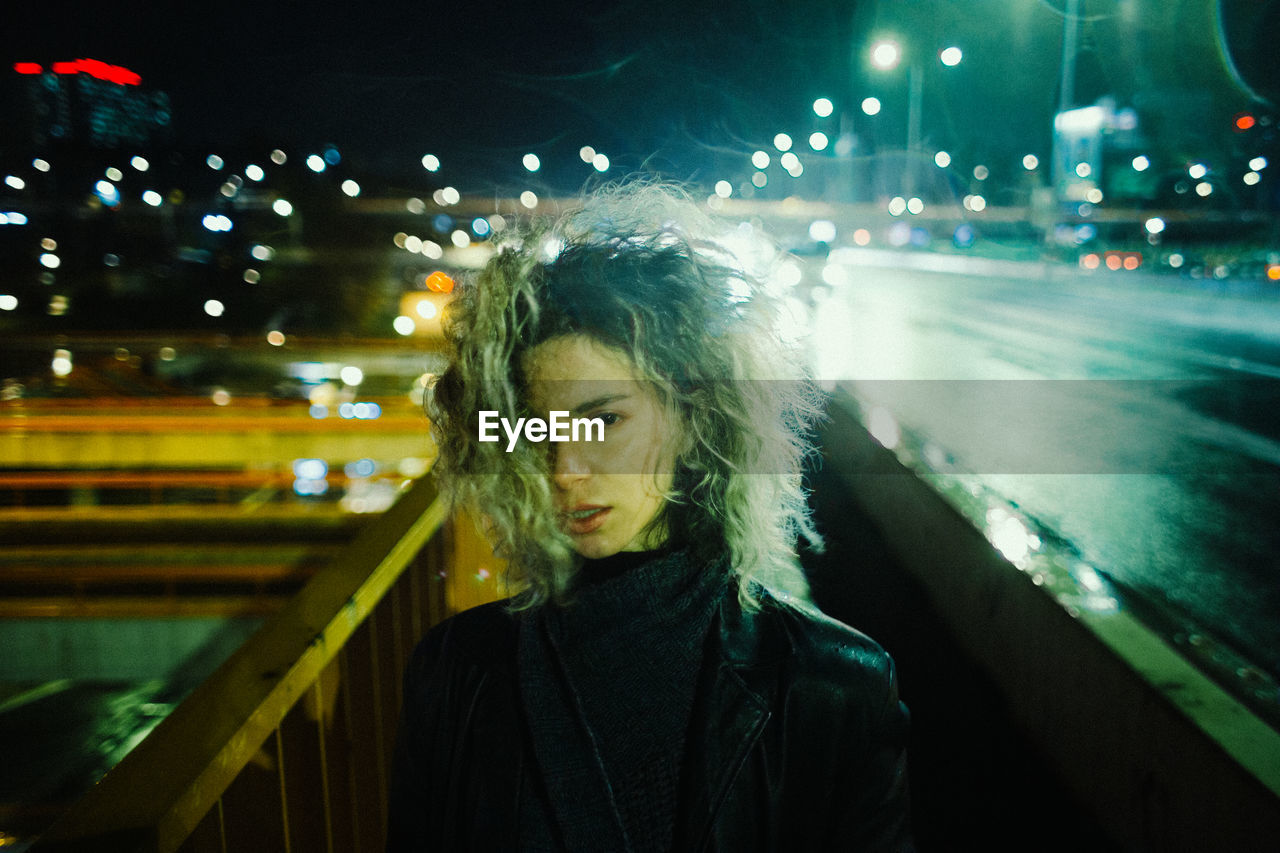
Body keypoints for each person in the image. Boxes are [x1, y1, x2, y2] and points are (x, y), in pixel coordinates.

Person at [387, 183, 913, 852]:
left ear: (694, 420)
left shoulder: (834, 686)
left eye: (604, 420)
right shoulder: (455, 672)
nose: (565, 471)